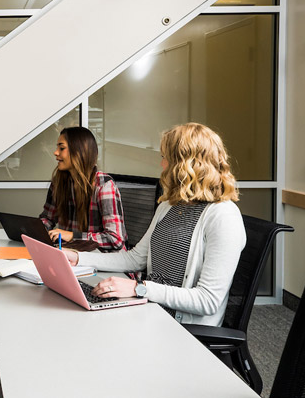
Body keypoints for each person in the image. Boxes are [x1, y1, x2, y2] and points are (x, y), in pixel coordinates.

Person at [63, 123, 246, 326]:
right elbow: (135, 259)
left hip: (181, 328)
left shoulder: (223, 216)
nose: (162, 165)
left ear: (184, 164)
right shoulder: (168, 205)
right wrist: (78, 258)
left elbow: (207, 301)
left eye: (165, 158)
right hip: (149, 308)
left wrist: (138, 288)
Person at [39, 126, 127, 251]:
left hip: (105, 261)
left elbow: (115, 239)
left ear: (79, 151)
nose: (55, 152)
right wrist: (33, 230)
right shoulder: (59, 183)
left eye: (62, 148)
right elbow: (47, 219)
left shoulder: (104, 185)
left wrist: (73, 236)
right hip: (72, 255)